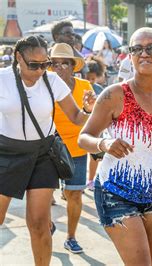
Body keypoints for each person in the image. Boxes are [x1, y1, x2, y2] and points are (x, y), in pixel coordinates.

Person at [78, 27, 152, 265]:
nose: (144, 54)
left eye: (151, 48)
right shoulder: (115, 95)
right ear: (129, 55)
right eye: (136, 48)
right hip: (115, 192)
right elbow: (84, 136)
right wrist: (104, 143)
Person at [0, 35, 93, 265]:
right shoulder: (2, 79)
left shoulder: (52, 81)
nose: (41, 70)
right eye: (34, 65)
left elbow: (75, 116)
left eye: (45, 64)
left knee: (39, 223)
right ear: (18, 58)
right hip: (7, 152)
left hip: (43, 154)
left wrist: (88, 109)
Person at [49, 43, 95, 254]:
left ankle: (71, 237)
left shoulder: (85, 86)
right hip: (48, 149)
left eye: (64, 63)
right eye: (54, 63)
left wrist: (89, 108)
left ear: (72, 65)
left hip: (76, 149)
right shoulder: (43, 85)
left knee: (73, 194)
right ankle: (46, 224)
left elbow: (92, 115)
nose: (58, 68)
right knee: (42, 194)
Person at [84, 57, 107, 191]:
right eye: (87, 78)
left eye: (92, 79)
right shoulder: (80, 86)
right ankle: (85, 180)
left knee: (95, 155)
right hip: (81, 126)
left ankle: (92, 180)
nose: (90, 82)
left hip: (97, 127)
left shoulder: (99, 89)